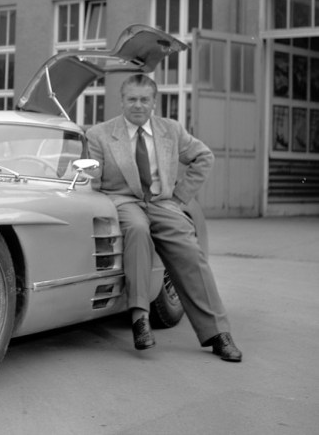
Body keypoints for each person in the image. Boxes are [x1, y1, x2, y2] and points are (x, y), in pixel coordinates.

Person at [85, 73, 242, 362]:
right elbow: (90, 180)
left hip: (162, 202)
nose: (138, 105)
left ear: (154, 102)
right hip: (122, 201)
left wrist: (180, 198)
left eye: (145, 99)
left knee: (191, 252)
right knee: (137, 230)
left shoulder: (171, 130)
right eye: (132, 99)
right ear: (122, 101)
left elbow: (204, 157)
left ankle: (218, 334)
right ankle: (140, 320)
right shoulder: (100, 135)